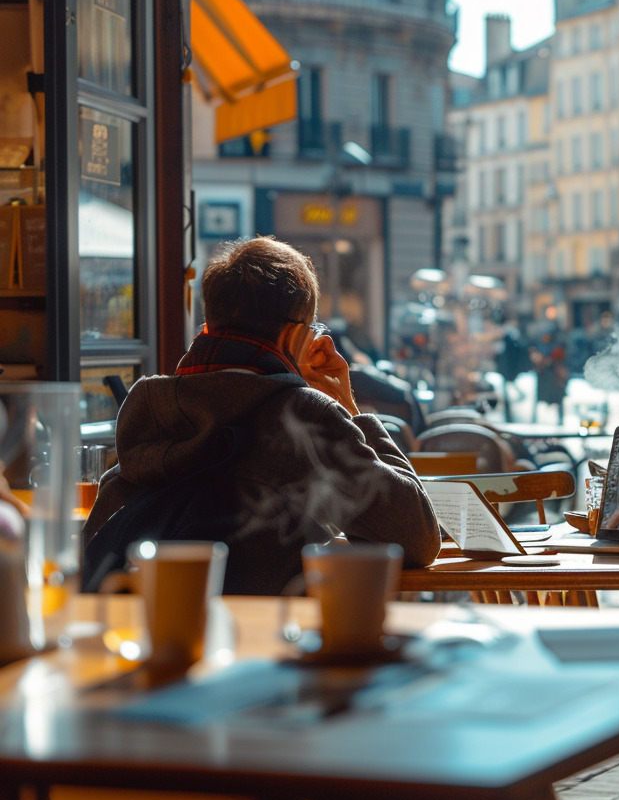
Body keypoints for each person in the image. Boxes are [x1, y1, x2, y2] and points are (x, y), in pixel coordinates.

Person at [84, 237, 441, 594]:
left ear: (208, 326)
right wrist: (349, 409)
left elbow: (99, 535)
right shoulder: (301, 416)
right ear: (291, 335)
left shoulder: (150, 405)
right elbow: (418, 537)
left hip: (147, 630)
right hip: (261, 635)